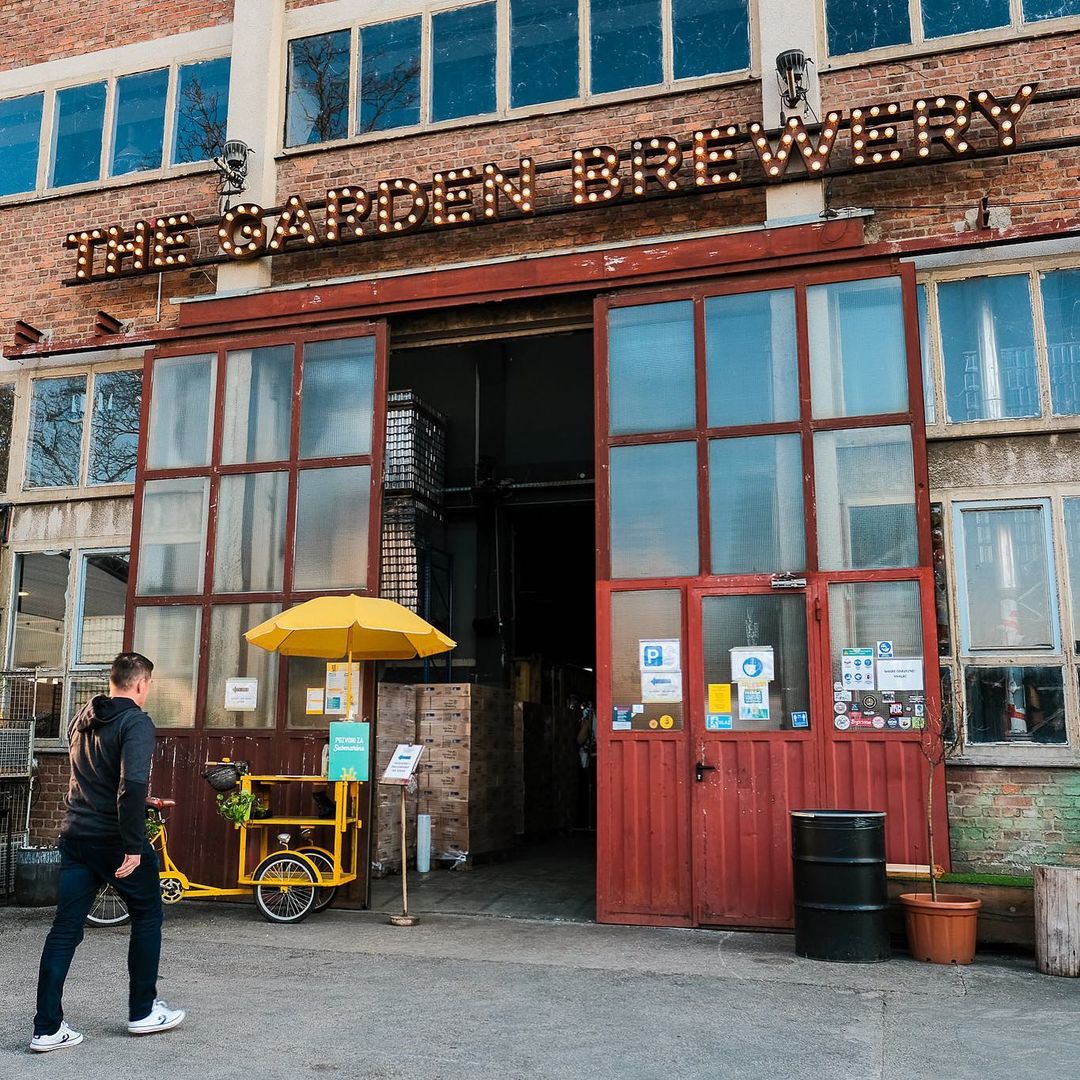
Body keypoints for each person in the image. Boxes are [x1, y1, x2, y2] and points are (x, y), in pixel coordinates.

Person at [30, 652, 185, 1053]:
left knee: (65, 928)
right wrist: (133, 845)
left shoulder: (82, 718)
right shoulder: (136, 722)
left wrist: (137, 806)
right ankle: (143, 1011)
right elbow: (130, 786)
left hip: (76, 835)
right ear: (141, 683)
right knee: (148, 915)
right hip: (114, 839)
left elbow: (92, 779)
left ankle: (47, 1028)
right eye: (149, 685)